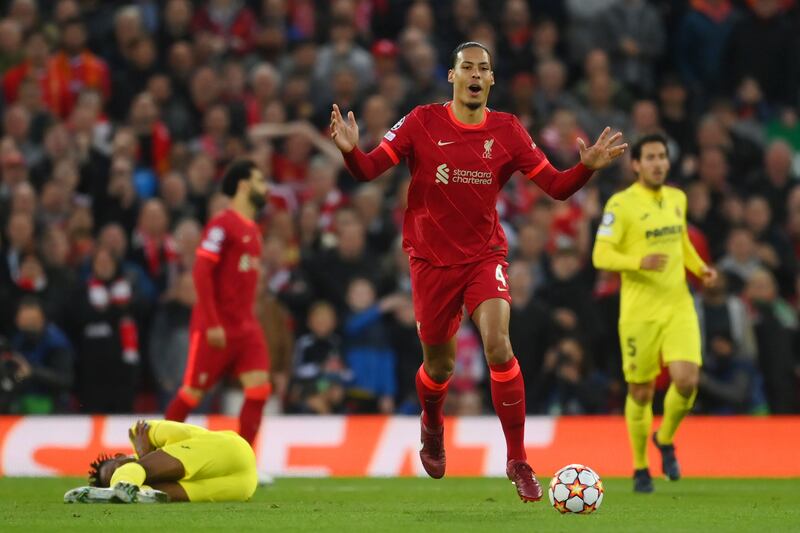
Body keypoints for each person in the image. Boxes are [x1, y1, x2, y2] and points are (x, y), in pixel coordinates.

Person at [329, 41, 627, 502]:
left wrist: (585, 169)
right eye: (466, 67)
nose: (474, 74)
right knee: (439, 366)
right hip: (430, 261)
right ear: (451, 76)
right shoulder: (421, 121)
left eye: (482, 69)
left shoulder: (507, 130)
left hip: (484, 256)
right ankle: (432, 423)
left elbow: (555, 186)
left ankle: (518, 460)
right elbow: (368, 171)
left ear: (491, 81)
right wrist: (351, 152)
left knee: (498, 343)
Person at [592, 133, 718, 493]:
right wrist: (637, 261)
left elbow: (680, 243)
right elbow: (601, 256)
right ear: (636, 165)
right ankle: (640, 467)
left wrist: (701, 268)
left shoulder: (677, 198)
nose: (658, 163)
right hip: (639, 313)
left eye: (662, 156)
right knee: (642, 391)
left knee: (687, 380)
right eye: (650, 157)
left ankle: (664, 438)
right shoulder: (621, 204)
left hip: (678, 306)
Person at [164, 160, 271, 446]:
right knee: (192, 394)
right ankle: (152, 453)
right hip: (217, 326)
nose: (266, 187)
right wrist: (212, 322)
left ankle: (244, 461)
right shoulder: (222, 224)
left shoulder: (254, 230)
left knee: (259, 389)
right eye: (260, 181)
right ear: (244, 186)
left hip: (245, 326)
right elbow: (201, 270)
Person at [64, 420, 256, 503]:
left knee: (140, 470)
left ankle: (121, 489)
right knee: (156, 493)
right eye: (114, 477)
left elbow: (182, 433)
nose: (120, 470)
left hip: (230, 449)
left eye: (117, 469)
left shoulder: (140, 432)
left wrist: (144, 458)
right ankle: (131, 495)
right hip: (244, 485)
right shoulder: (146, 468)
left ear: (121, 456)